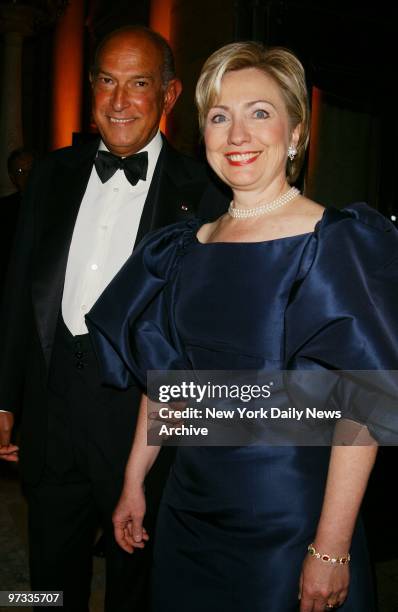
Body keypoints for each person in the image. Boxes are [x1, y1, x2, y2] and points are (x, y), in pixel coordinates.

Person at [86, 42, 398, 611]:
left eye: (260, 112)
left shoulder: (334, 243)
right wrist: (135, 479)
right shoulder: (180, 250)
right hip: (188, 509)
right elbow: (171, 384)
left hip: (291, 517)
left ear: (296, 132)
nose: (237, 135)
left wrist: (331, 546)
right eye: (219, 116)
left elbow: (363, 407)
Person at [0, 26, 228, 612]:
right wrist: (4, 401)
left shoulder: (203, 191)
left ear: (170, 96)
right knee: (47, 575)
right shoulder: (50, 174)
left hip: (137, 417)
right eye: (106, 80)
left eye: (139, 84)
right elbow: (18, 296)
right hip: (51, 406)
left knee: (137, 578)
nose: (119, 100)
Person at [0, 148, 35, 291]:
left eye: (31, 169)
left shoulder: (58, 205)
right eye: (21, 172)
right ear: (12, 177)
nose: (28, 176)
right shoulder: (4, 209)